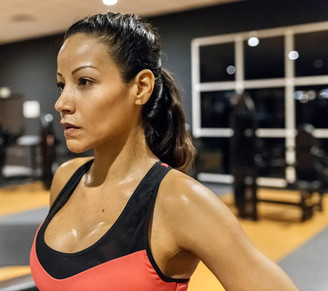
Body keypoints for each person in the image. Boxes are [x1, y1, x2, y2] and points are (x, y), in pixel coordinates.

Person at [30, 12, 298, 291]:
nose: (62, 102)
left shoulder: (179, 202)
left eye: (84, 81)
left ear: (141, 87)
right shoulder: (65, 179)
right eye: (62, 84)